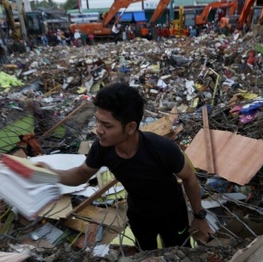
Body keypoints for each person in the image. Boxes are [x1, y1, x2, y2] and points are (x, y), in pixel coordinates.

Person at [39, 83, 214, 251]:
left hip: (172, 214)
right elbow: (81, 174)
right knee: (146, 254)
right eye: (97, 122)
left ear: (130, 127)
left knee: (179, 250)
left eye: (107, 125)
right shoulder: (102, 148)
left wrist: (199, 217)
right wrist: (49, 174)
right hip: (139, 214)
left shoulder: (161, 148)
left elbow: (189, 177)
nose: (98, 130)